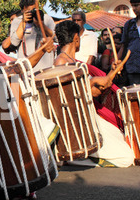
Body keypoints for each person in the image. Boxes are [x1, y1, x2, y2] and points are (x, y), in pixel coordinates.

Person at [54, 20, 134, 168]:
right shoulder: (61, 62)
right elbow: (70, 96)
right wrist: (94, 81)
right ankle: (76, 158)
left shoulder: (73, 61)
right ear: (76, 38)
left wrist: (112, 72)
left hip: (90, 113)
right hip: (79, 118)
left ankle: (80, 155)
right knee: (126, 158)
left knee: (121, 139)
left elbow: (97, 89)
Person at [9, 0, 56, 72]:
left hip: (46, 70)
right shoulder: (17, 21)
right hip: (27, 70)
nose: (31, 13)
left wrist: (41, 25)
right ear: (22, 11)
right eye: (28, 11)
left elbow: (56, 37)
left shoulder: (46, 19)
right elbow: (14, 42)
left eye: (34, 10)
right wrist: (23, 22)